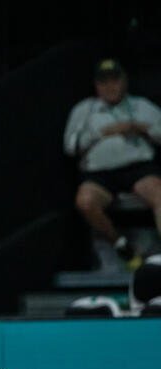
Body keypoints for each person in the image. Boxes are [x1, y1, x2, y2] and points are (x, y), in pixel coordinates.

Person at [64, 59, 161, 268]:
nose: (110, 86)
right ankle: (122, 246)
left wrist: (139, 127)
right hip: (99, 174)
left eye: (114, 80)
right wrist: (104, 132)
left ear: (124, 81)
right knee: (85, 201)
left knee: (159, 191)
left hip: (138, 169)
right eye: (103, 82)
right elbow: (71, 147)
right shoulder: (84, 111)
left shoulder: (142, 106)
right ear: (96, 85)